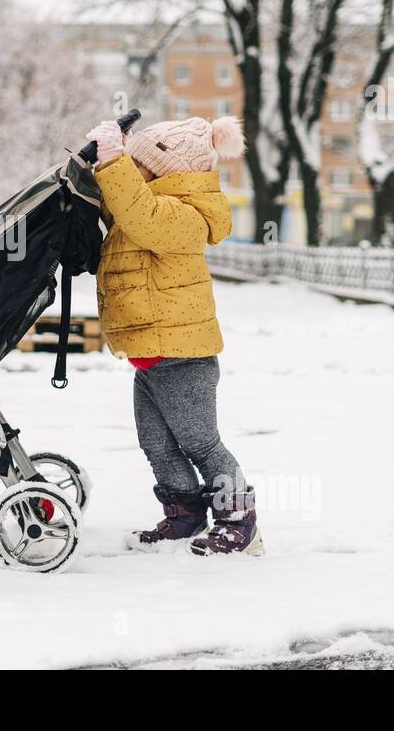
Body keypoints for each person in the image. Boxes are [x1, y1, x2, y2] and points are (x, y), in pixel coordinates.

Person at [84, 115, 262, 555]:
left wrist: (114, 160)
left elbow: (140, 213)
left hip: (183, 355)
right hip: (150, 355)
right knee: (157, 444)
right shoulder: (147, 204)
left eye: (141, 165)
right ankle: (184, 514)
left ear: (169, 173)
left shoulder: (184, 217)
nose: (135, 172)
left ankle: (241, 522)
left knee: (201, 442)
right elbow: (119, 205)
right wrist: (114, 156)